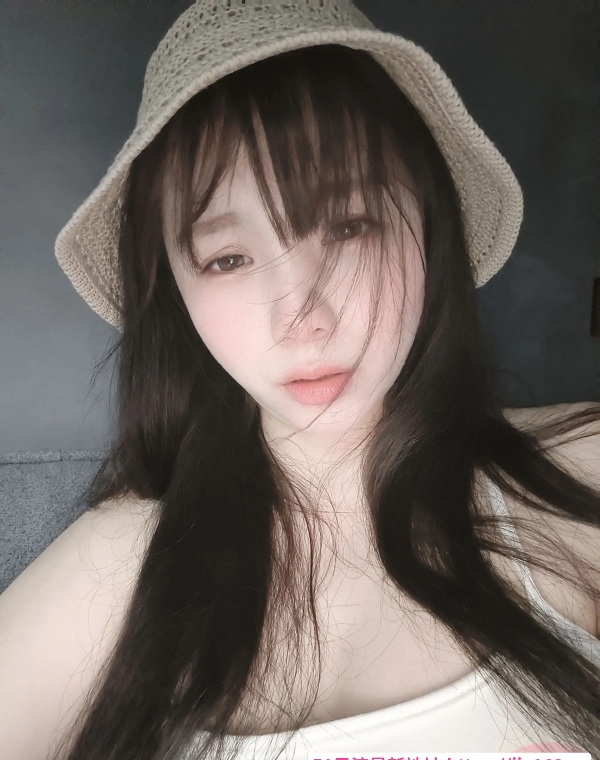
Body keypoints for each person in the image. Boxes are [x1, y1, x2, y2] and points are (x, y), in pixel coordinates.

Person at [0, 1, 599, 759]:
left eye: (348, 225)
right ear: (178, 292)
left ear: (427, 223)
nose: (302, 319)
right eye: (228, 258)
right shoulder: (115, 571)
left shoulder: (580, 473)